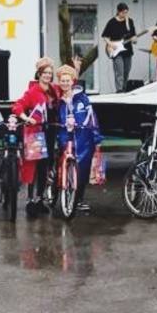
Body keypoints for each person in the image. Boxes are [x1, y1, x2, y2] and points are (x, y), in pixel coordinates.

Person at [9, 61, 60, 216]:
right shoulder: (32, 91)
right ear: (39, 74)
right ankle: (30, 200)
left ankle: (40, 199)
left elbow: (68, 87)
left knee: (45, 167)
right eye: (45, 73)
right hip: (36, 132)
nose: (48, 76)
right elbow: (18, 106)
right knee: (33, 167)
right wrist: (26, 118)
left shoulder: (54, 90)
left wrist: (75, 72)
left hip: (50, 131)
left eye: (50, 73)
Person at [56, 64, 103, 214]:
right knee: (65, 168)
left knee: (82, 171)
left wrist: (96, 136)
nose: (64, 83)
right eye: (62, 80)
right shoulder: (57, 101)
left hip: (84, 139)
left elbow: (92, 117)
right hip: (65, 139)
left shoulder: (82, 99)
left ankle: (79, 199)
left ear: (72, 81)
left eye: (67, 80)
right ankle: (63, 193)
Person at [100, 3, 138, 94]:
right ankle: (119, 90)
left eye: (126, 12)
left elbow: (134, 38)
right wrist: (110, 44)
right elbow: (105, 36)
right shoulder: (112, 22)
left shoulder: (130, 21)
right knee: (119, 71)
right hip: (116, 51)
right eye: (123, 13)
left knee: (126, 72)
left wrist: (134, 40)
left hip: (128, 50)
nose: (125, 15)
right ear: (118, 12)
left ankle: (124, 91)